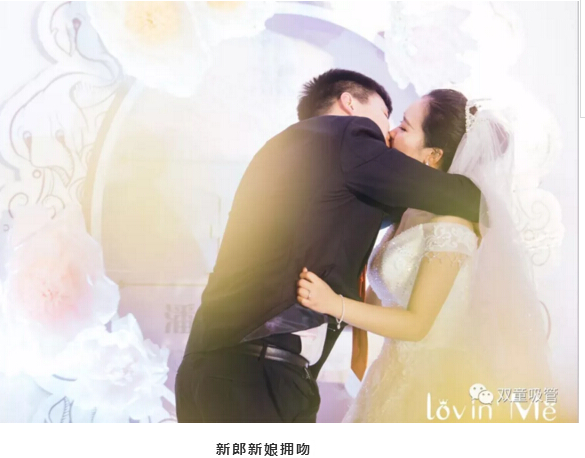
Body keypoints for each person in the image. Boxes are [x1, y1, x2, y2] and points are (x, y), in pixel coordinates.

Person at [175, 69, 481, 422]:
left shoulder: (299, 153)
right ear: (349, 104)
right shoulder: (351, 135)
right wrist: (489, 197)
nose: (389, 133)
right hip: (256, 373)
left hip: (211, 365)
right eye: (387, 116)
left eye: (402, 126)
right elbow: (463, 197)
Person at [296, 91, 553, 422]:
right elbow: (376, 304)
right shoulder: (409, 211)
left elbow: (417, 324)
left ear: (433, 154)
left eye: (404, 127)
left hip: (432, 381)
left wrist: (333, 303)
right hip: (391, 372)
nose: (391, 132)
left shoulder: (452, 224)